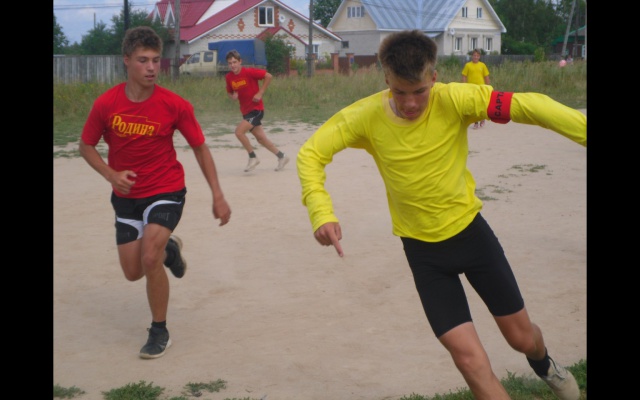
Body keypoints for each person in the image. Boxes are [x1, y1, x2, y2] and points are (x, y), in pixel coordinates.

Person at [296, 30, 585, 400]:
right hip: (424, 255)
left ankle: (544, 364)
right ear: (386, 79)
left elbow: (531, 105)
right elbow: (311, 154)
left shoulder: (456, 99)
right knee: (469, 360)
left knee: (521, 338)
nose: (410, 103)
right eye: (399, 92)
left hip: (473, 238)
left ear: (434, 77)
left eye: (419, 91)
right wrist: (321, 211)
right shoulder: (365, 116)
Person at [79, 26, 232, 359]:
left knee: (149, 257)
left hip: (166, 189)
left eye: (155, 60)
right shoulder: (106, 104)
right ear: (126, 61)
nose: (151, 68)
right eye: (143, 60)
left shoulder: (174, 104)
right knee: (133, 272)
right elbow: (86, 145)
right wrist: (110, 174)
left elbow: (200, 148)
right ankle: (170, 251)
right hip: (126, 197)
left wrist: (217, 195)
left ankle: (159, 331)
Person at [225, 50, 290, 172]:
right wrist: (232, 96)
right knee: (261, 139)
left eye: (234, 62)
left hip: (256, 110)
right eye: (230, 63)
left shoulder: (249, 72)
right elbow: (229, 92)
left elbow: (268, 76)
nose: (232, 65)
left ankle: (253, 157)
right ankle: (282, 156)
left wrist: (260, 93)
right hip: (246, 111)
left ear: (240, 61)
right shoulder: (229, 77)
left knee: (239, 132)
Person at [461, 48, 491, 129]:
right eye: (474, 55)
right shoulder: (468, 65)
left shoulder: (482, 65)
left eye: (477, 56)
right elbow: (464, 76)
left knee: (481, 104)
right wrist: (464, 85)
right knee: (473, 105)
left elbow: (486, 76)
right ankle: (476, 122)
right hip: (471, 88)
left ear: (479, 57)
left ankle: (482, 118)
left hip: (481, 88)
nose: (476, 57)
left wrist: (488, 86)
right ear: (472, 56)